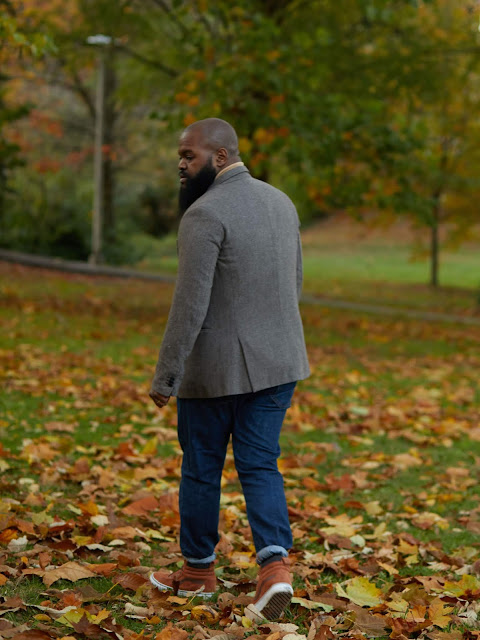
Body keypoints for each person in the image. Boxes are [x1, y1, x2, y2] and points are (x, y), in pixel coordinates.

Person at [148, 118, 310, 620]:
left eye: (189, 155)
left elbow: (189, 305)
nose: (181, 163)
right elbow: (294, 282)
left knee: (201, 467)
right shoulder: (281, 202)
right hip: (279, 363)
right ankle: (274, 570)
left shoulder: (205, 213)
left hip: (215, 372)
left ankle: (197, 574)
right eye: (180, 155)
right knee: (260, 464)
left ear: (219, 157)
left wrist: (166, 375)